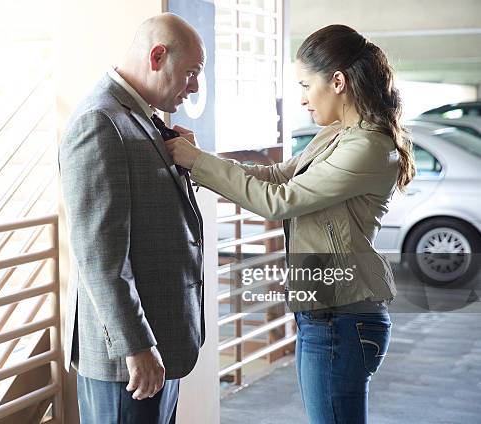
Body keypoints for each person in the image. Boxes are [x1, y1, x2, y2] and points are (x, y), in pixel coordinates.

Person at [166, 24, 415, 424]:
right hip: (326, 316)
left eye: (305, 84)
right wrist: (200, 156)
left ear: (337, 82)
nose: (301, 99)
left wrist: (195, 162)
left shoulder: (368, 146)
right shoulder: (337, 134)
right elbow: (279, 178)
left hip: (342, 319)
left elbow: (279, 202)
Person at [59, 13, 206, 424]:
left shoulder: (138, 116)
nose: (194, 86)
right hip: (130, 358)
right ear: (157, 56)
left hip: (162, 344)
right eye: (191, 73)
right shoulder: (99, 122)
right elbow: (99, 255)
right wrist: (136, 347)